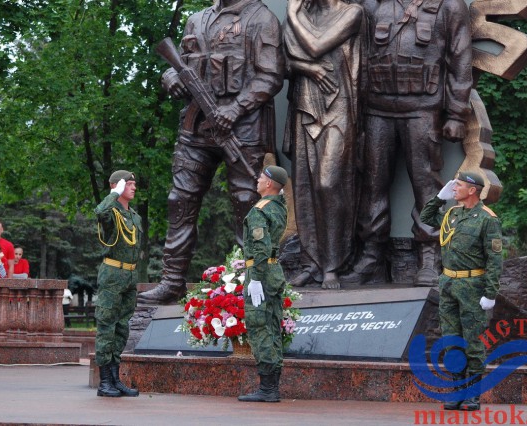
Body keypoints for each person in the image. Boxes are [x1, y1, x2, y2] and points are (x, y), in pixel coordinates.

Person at [138, 0, 285, 305]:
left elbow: (271, 75)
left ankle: (252, 280)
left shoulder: (262, 18)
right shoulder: (196, 20)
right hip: (196, 126)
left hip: (243, 126)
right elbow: (179, 64)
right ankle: (172, 281)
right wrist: (171, 78)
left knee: (247, 201)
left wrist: (236, 108)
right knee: (180, 200)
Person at [353, 0, 473, 286]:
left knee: (426, 185)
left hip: (422, 108)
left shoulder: (448, 6)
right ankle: (371, 254)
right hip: (375, 108)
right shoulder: (370, 5)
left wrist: (457, 113)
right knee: (372, 184)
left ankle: (429, 254)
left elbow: (461, 59)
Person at [283, 0, 364, 289]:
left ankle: (333, 264)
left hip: (339, 104)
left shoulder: (352, 12)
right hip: (306, 102)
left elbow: (317, 46)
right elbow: (283, 64)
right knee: (304, 185)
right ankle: (311, 262)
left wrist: (291, 14)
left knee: (328, 183)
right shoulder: (303, 15)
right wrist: (307, 68)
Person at [420, 171, 503, 411]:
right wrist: (439, 197)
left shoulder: (487, 219)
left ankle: (472, 395)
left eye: (458, 186)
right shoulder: (452, 214)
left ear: (472, 190)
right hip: (448, 285)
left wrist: (490, 293)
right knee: (451, 340)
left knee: (473, 341)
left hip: (472, 287)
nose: (454, 188)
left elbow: (494, 260)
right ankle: (457, 392)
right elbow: (426, 217)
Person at [238, 165, 288, 402]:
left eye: (261, 177)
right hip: (274, 270)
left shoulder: (260, 211)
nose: (257, 180)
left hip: (261, 272)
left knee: (259, 327)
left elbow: (260, 247)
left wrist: (255, 279)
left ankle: (267, 388)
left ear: (269, 183)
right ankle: (273, 386)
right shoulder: (279, 207)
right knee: (273, 325)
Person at [94, 170, 142, 397]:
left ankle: (115, 379)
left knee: (122, 328)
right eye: (128, 184)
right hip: (112, 275)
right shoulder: (110, 211)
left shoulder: (134, 216)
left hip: (129, 277)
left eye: (133, 184)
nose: (133, 187)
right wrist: (114, 191)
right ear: (116, 186)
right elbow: (100, 211)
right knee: (107, 327)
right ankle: (104, 383)